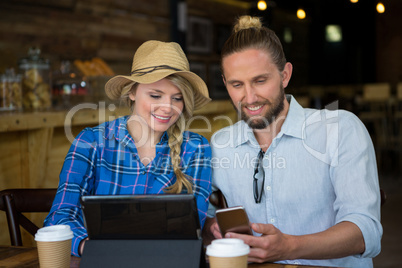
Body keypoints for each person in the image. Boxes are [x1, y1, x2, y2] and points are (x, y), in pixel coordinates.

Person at [203, 16, 382, 267]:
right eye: (236, 85)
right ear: (225, 84)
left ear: (285, 75)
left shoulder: (340, 130)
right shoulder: (219, 145)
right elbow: (207, 221)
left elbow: (367, 233)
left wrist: (289, 246)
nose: (249, 97)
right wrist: (212, 229)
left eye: (260, 80)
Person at [44, 40, 212, 257]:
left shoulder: (196, 148)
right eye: (155, 95)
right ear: (132, 91)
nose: (167, 107)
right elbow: (59, 217)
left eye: (177, 98)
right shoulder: (91, 142)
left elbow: (190, 230)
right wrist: (92, 248)